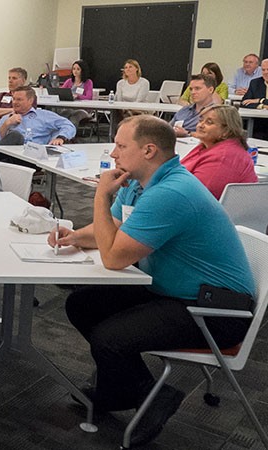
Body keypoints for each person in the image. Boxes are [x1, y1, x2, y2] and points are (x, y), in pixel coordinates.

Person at [52, 115, 254, 447]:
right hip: (177, 292)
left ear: (148, 151)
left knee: (108, 337)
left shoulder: (172, 192)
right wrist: (74, 236)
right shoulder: (139, 183)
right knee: (83, 304)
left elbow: (113, 257)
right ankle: (122, 391)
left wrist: (100, 197)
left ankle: (152, 395)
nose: (113, 154)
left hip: (217, 310)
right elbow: (113, 229)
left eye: (121, 146)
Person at [181, 104, 258, 199]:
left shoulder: (224, 157)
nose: (200, 125)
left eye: (209, 122)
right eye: (201, 120)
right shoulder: (206, 146)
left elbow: (196, 195)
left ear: (226, 131)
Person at [0, 86, 76, 146]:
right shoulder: (7, 118)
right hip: (8, 156)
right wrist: (6, 124)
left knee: (16, 135)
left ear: (30, 100)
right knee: (14, 136)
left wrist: (61, 138)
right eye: (14, 99)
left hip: (32, 156)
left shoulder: (44, 115)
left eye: (19, 99)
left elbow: (68, 125)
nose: (15, 102)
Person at [240, 59, 268, 139]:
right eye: (263, 70)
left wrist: (260, 100)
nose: (266, 72)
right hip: (258, 124)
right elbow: (244, 103)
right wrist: (262, 106)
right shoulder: (255, 83)